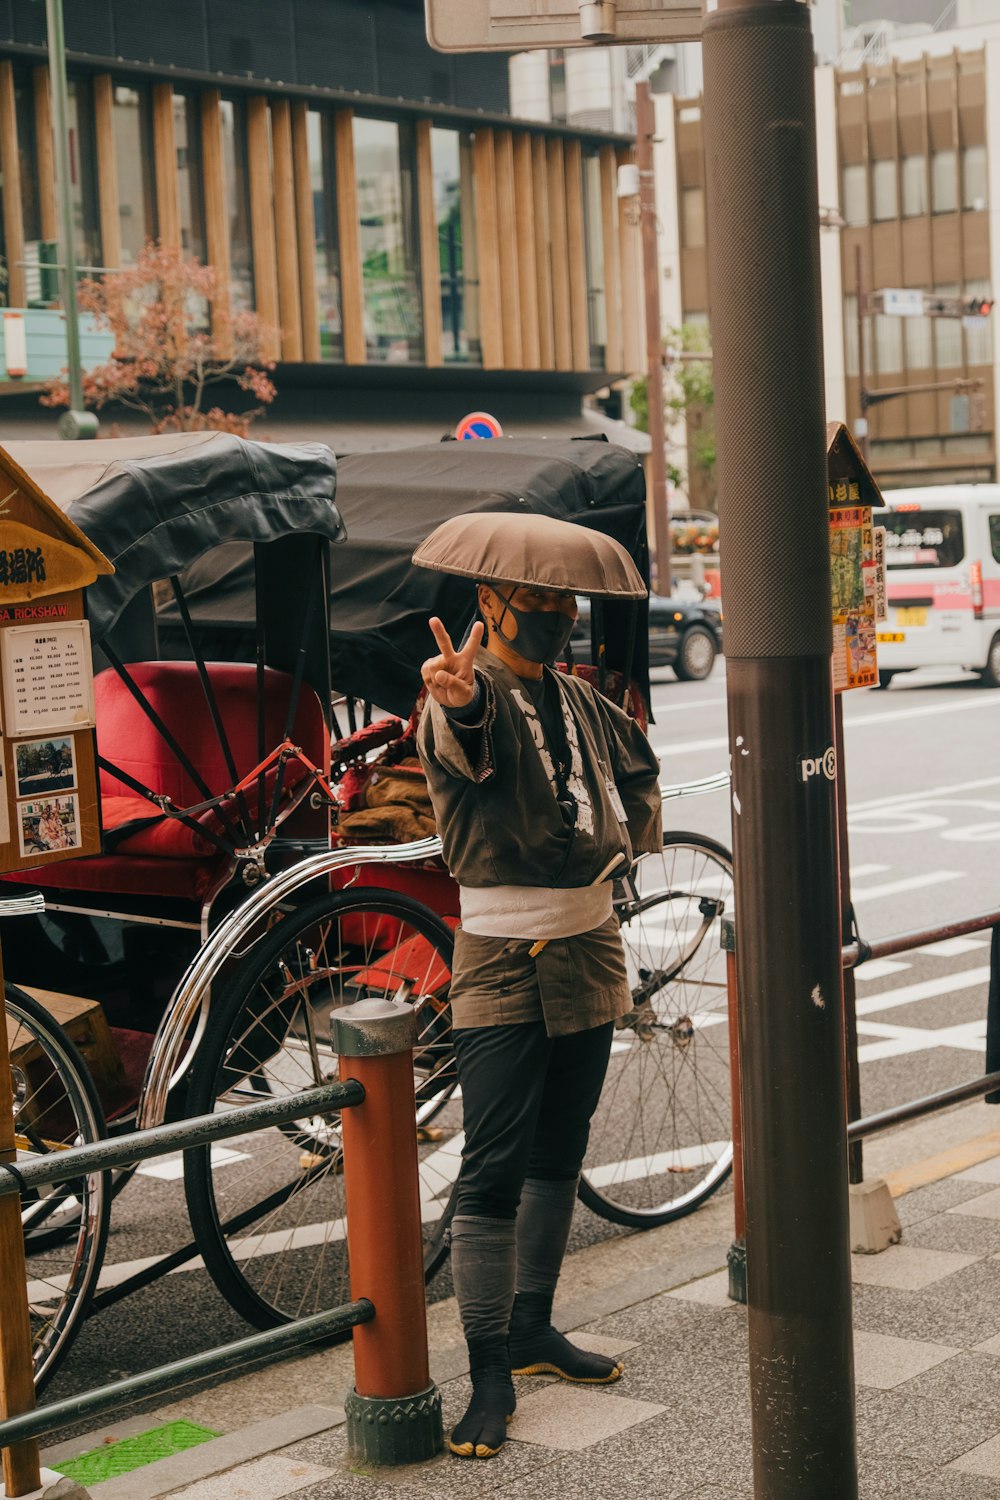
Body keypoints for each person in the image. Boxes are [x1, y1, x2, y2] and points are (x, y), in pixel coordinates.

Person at [414, 512, 662, 1461]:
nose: (555, 614)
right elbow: (462, 740)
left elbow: (633, 784)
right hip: (504, 957)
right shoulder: (461, 693)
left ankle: (532, 1328)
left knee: (563, 1152)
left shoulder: (585, 699)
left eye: (566, 601)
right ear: (489, 601)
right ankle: (484, 1374)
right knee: (493, 1167)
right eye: (538, 599)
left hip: (589, 946)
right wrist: (459, 697)